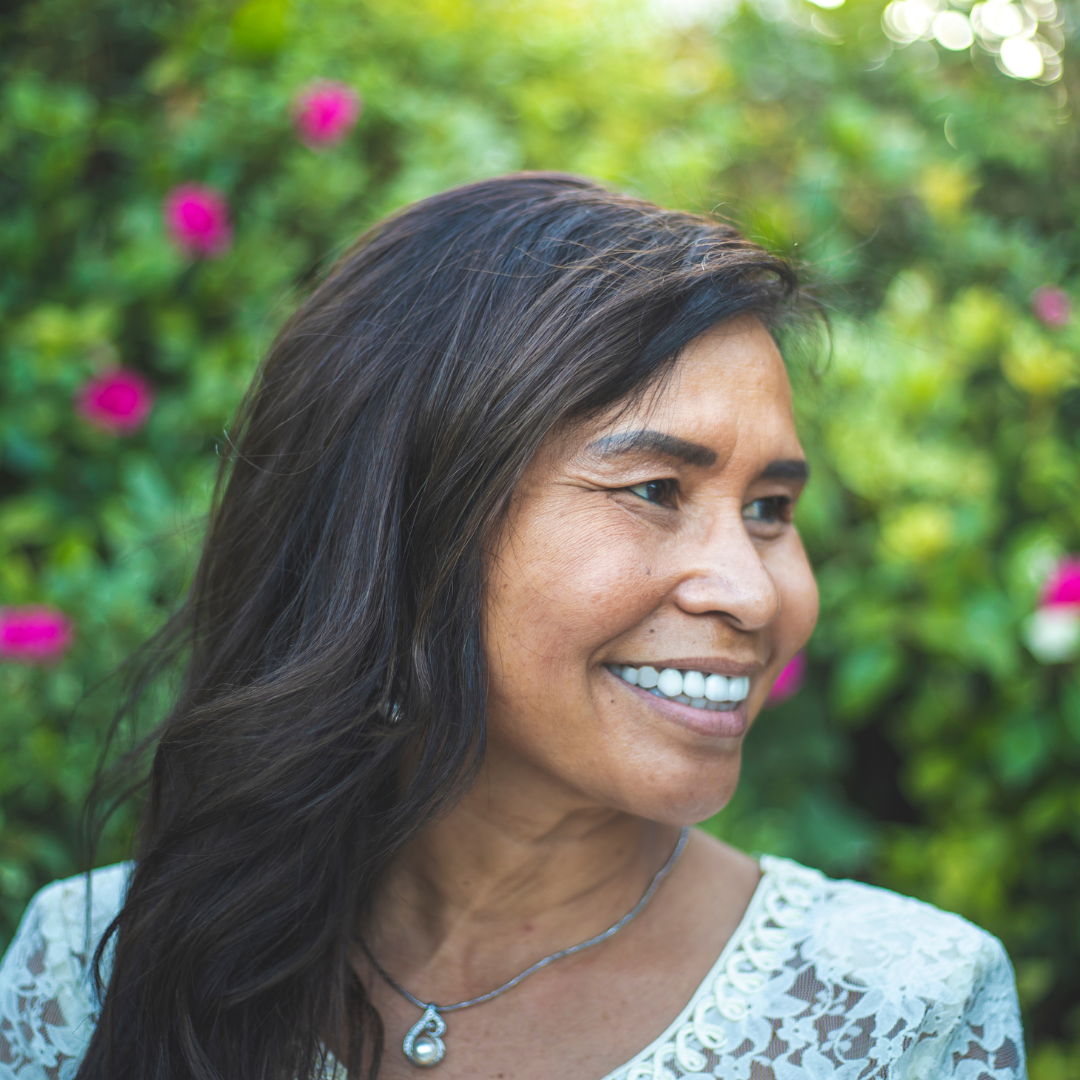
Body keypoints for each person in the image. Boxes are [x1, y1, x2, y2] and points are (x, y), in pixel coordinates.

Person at [0, 173, 1024, 1080]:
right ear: (409, 521)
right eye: (656, 489)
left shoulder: (899, 1012)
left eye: (769, 508)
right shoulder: (95, 967)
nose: (753, 595)